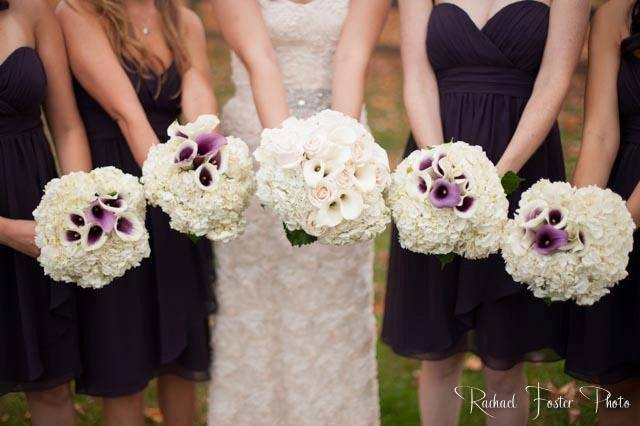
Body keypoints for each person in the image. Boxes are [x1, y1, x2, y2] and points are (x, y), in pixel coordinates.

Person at [382, 1, 589, 424]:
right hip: (435, 170)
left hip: (522, 165)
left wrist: (495, 181)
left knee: (504, 362)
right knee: (437, 355)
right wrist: (438, 169)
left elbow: (554, 80)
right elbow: (418, 77)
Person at [207, 0, 389, 424]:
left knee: (332, 306)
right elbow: (260, 58)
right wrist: (290, 166)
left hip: (343, 143)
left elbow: (352, 55)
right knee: (257, 308)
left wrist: (338, 160)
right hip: (260, 146)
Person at [56, 0, 216, 424]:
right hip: (115, 201)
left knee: (182, 355)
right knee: (122, 357)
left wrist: (207, 163)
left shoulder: (183, 20)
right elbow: (126, 113)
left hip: (173, 189)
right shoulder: (77, 13)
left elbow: (199, 99)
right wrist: (174, 189)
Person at [0, 0, 92, 424]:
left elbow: (68, 126)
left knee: (53, 386)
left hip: (35, 210)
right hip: (10, 227)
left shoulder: (32, 9)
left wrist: (77, 215)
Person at [567, 0, 640, 423]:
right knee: (619, 386)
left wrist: (618, 227)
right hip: (624, 194)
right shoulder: (617, 12)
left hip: (628, 214)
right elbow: (599, 132)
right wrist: (576, 230)